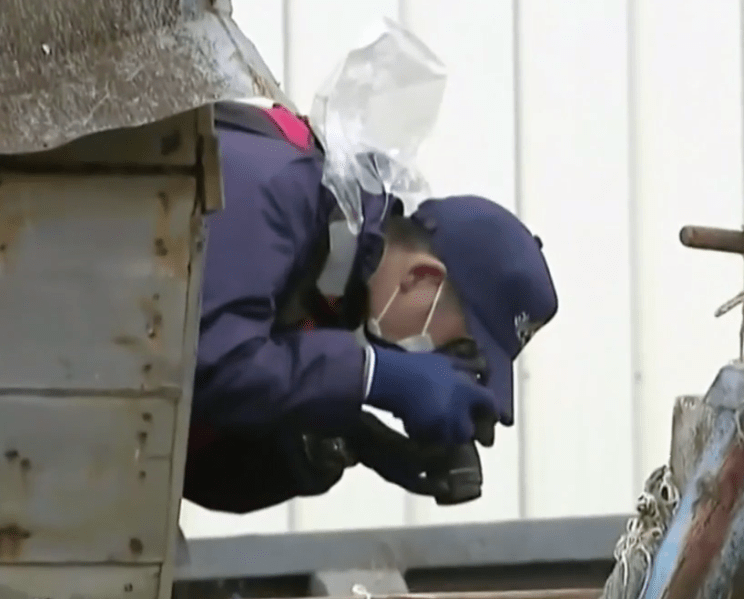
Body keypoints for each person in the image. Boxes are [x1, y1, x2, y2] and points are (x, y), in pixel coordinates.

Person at [182, 101, 558, 514]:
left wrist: (329, 442)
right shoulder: (274, 188)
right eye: (455, 350)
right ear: (421, 278)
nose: (440, 369)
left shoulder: (325, 293)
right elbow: (202, 366)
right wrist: (370, 375)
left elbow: (183, 458)